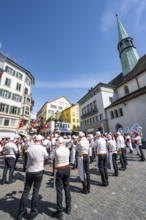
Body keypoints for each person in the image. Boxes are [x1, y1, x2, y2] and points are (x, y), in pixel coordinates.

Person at [17, 134, 48, 220]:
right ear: (41, 141)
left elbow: (26, 156)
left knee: (26, 191)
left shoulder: (29, 148)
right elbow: (46, 157)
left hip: (30, 170)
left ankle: (21, 212)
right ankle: (33, 211)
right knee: (35, 191)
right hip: (38, 171)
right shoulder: (42, 148)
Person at [51, 136, 71, 220]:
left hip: (59, 169)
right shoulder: (67, 149)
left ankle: (59, 211)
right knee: (67, 187)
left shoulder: (56, 150)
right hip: (67, 168)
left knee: (59, 190)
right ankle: (68, 207)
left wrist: (54, 149)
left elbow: (51, 158)